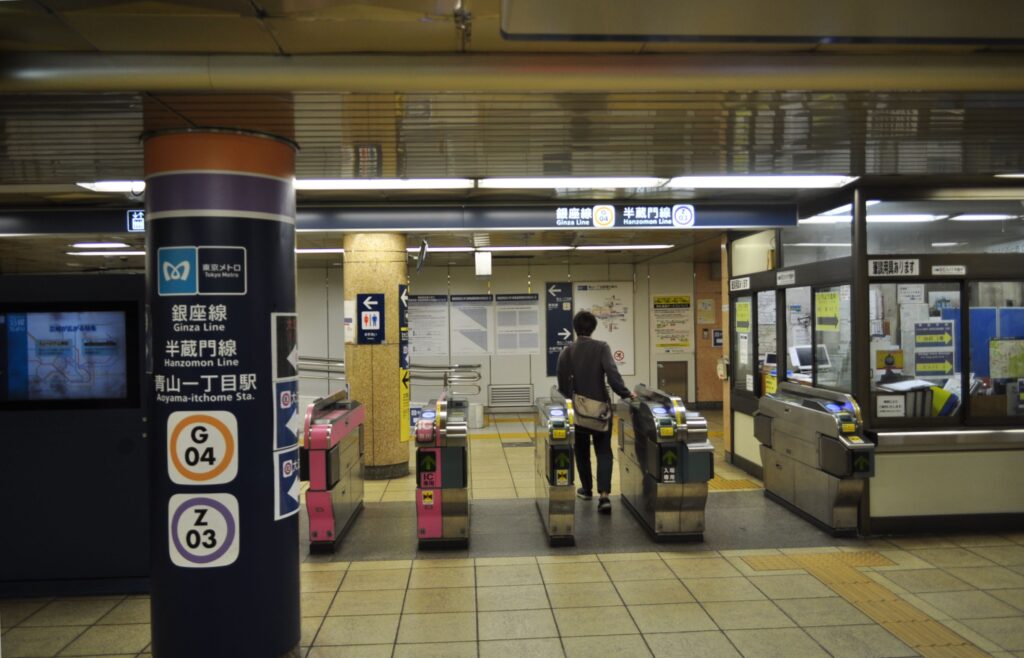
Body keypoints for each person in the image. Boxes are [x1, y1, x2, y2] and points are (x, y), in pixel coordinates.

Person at [556, 310, 635, 514]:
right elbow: (613, 376)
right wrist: (627, 394)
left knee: (582, 451)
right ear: (593, 328)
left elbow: (562, 385)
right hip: (601, 411)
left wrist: (571, 403)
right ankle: (604, 497)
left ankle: (587, 490)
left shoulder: (567, 352)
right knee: (603, 451)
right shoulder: (601, 347)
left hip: (579, 412)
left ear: (575, 328)